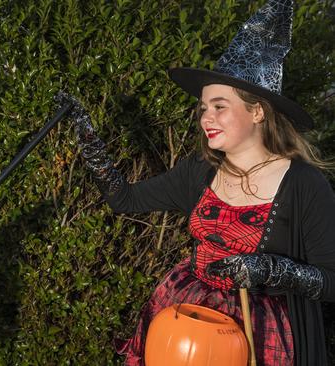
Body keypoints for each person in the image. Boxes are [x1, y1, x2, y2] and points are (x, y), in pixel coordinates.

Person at [61, 0, 334, 365]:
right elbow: (123, 200)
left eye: (219, 106)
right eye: (204, 107)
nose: (207, 117)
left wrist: (271, 271)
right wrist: (89, 142)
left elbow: (331, 280)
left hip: (261, 340)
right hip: (183, 322)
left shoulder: (303, 183)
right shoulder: (200, 171)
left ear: (257, 111)